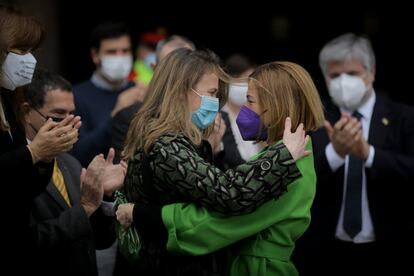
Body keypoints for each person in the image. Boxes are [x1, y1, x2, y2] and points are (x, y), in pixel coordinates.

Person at [116, 48, 313, 275]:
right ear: (181, 91)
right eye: (211, 93)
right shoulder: (167, 144)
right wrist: (282, 159)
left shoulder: (294, 157)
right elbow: (227, 195)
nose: (216, 104)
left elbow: (214, 204)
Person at [293, 33, 414, 275]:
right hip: (325, 250)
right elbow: (297, 180)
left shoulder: (404, 116)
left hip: (389, 245)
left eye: (352, 74)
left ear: (372, 72)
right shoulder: (314, 118)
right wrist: (335, 154)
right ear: (325, 78)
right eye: (335, 75)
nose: (343, 81)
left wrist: (368, 154)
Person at [22, 68, 126, 275]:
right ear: (27, 113)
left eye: (73, 114)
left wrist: (103, 196)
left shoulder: (70, 162)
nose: (72, 124)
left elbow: (101, 240)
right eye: (59, 115)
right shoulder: (15, 167)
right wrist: (85, 208)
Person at [0, 5, 80, 269]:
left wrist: (46, 156)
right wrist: (33, 152)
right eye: (21, 51)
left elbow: (23, 190)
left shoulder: (9, 101)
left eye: (31, 51)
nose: (29, 60)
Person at [111, 35, 196, 162]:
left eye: (186, 68)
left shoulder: (210, 115)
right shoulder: (131, 117)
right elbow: (122, 172)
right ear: (155, 69)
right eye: (169, 69)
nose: (178, 76)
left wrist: (214, 148)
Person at [72, 21, 145, 166]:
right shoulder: (75, 96)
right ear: (95, 55)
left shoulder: (140, 91)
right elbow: (78, 154)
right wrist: (116, 113)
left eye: (125, 51)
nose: (120, 57)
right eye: (111, 52)